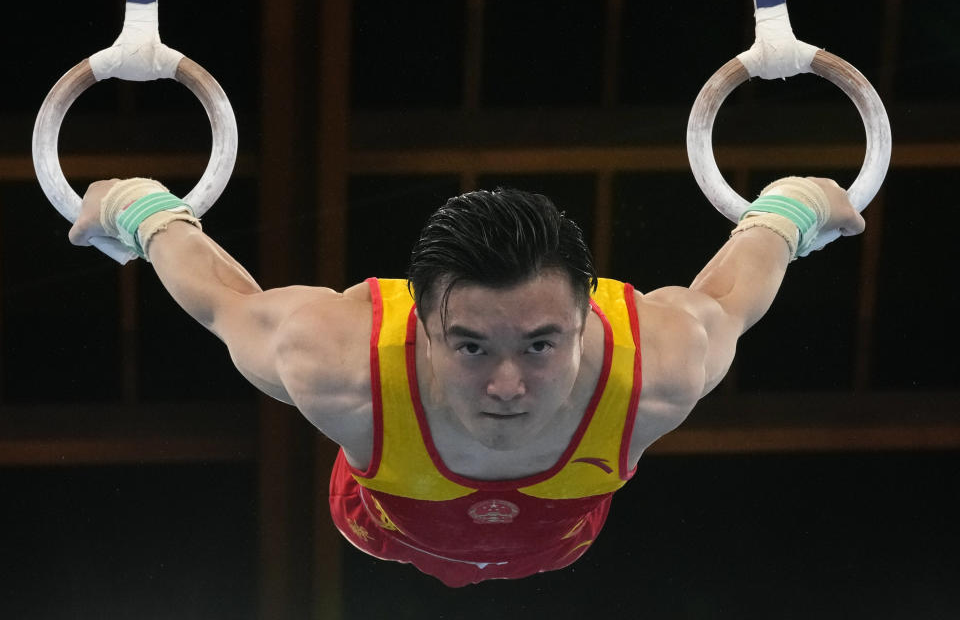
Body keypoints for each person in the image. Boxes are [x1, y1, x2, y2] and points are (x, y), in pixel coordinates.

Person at [68, 175, 865, 587]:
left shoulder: (660, 366)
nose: (509, 384)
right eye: (474, 347)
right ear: (419, 325)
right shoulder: (340, 363)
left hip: (561, 540)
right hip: (380, 525)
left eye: (544, 344)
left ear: (588, 322)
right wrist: (143, 210)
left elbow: (733, 299)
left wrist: (790, 211)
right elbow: (222, 302)